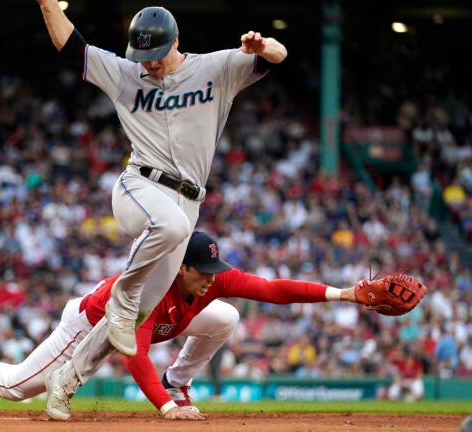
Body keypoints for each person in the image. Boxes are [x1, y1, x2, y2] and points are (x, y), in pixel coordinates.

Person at [33, 1, 287, 420]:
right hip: (139, 186)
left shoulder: (216, 68)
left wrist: (263, 46)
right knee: (165, 230)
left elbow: (277, 56)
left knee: (133, 323)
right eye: (142, 56)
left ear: (177, 42)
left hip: (189, 201)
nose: (148, 64)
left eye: (156, 54)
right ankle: (123, 296)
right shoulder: (125, 74)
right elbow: (72, 46)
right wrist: (46, 3)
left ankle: (66, 381)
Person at [0, 231, 370, 421]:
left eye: (216, 273)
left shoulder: (211, 281)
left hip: (158, 326)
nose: (212, 281)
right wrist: (161, 410)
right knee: (17, 387)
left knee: (228, 314)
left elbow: (273, 289)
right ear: (181, 268)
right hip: (92, 326)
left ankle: (181, 382)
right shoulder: (150, 287)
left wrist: (342, 294)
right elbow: (133, 350)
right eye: (204, 274)